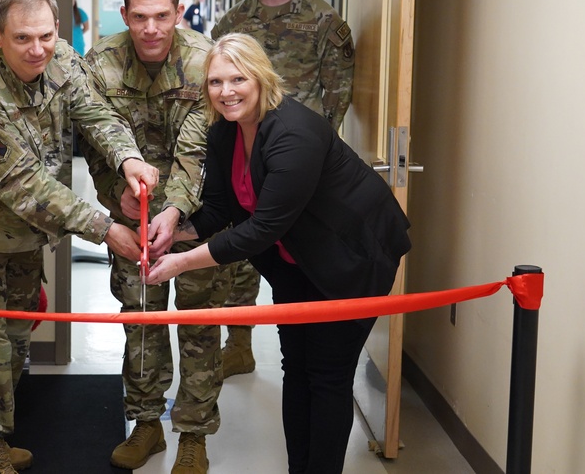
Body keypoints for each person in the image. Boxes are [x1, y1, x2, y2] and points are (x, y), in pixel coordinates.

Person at [145, 33, 411, 474]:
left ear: (261, 77)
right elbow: (219, 210)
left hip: (351, 260)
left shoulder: (294, 132)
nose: (226, 91)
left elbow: (261, 228)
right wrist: (173, 231)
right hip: (295, 263)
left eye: (237, 78)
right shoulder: (224, 134)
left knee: (327, 374)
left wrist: (180, 263)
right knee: (298, 366)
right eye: (215, 82)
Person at [0, 0, 159, 474]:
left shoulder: (62, 59)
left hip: (25, 236)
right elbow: (23, 183)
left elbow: (97, 113)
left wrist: (128, 157)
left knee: (14, 340)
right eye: (22, 39)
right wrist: (104, 229)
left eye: (46, 35)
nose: (37, 49)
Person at [81, 0, 232, 474]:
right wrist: (113, 194)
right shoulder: (100, 62)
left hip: (196, 216)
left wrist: (175, 211)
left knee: (196, 324)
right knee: (140, 319)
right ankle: (146, 424)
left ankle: (193, 433)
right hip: (130, 215)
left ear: (179, 12)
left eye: (161, 16)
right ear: (124, 14)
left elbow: (200, 154)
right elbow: (93, 144)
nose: (151, 28)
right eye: (140, 16)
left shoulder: (202, 62)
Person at [210, 0, 357, 378]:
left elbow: (337, 95)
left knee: (297, 250)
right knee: (240, 249)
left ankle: (309, 343)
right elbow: (219, 91)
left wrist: (308, 158)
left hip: (298, 161)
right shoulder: (234, 21)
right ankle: (239, 342)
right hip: (245, 153)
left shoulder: (324, 21)